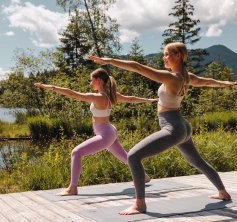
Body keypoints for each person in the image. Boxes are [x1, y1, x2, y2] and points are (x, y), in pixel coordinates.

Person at [89, 42, 236, 215]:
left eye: (167, 54)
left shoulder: (171, 78)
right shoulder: (187, 77)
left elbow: (137, 67)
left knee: (133, 156)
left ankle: (140, 204)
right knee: (197, 161)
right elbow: (208, 82)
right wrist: (224, 83)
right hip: (183, 126)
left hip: (173, 127)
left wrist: (110, 60)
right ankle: (222, 192)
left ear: (178, 56)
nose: (164, 57)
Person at [34, 68, 156, 196]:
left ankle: (72, 188)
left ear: (99, 80)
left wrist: (49, 87)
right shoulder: (112, 95)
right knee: (123, 156)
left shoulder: (98, 97)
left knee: (76, 152)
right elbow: (131, 99)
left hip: (105, 134)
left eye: (91, 80)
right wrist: (148, 100)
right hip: (110, 130)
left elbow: (72, 94)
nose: (90, 82)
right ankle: (143, 176)